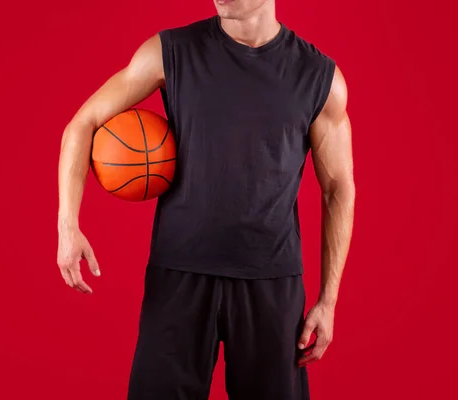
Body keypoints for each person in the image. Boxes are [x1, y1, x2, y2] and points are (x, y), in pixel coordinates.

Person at [57, 0, 355, 398]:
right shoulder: (170, 51)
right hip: (179, 274)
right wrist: (67, 225)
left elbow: (339, 188)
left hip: (271, 283)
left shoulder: (320, 77)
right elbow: (83, 124)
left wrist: (328, 300)